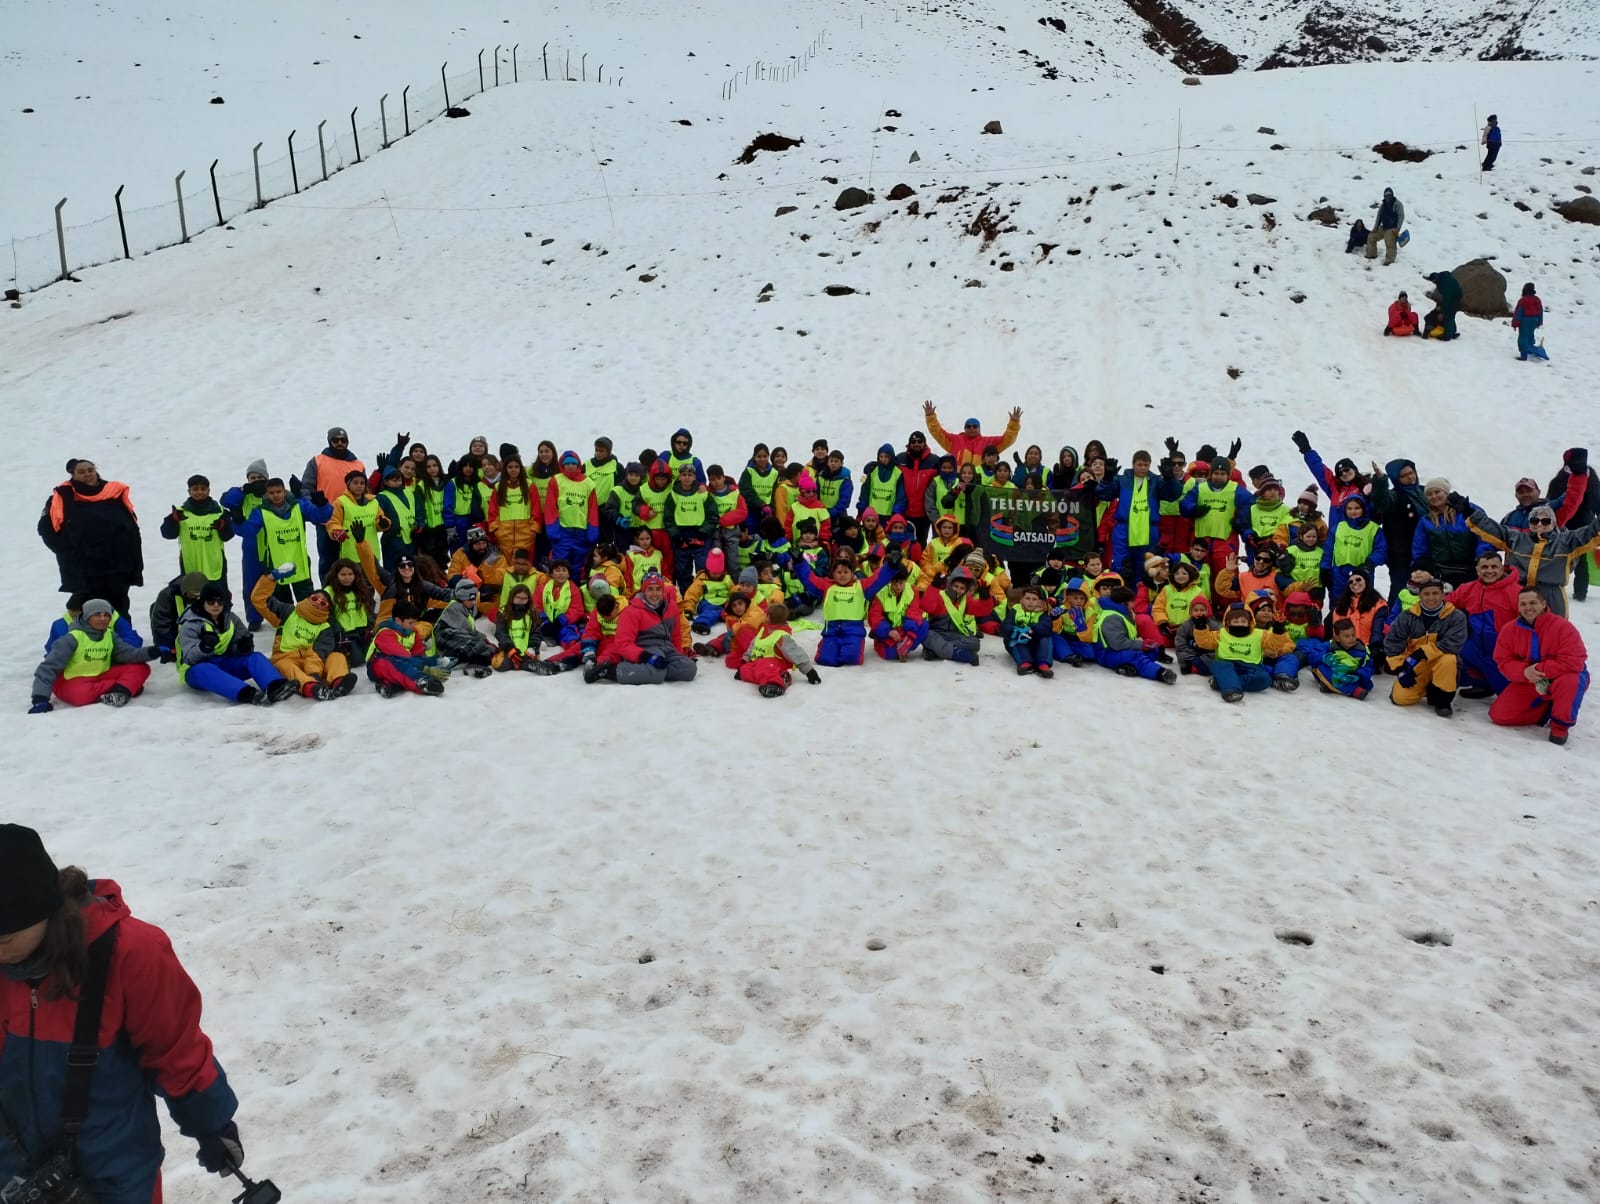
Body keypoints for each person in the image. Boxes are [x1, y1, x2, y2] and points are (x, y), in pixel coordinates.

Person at [0, 825, 246, 1204]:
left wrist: (211, 1126)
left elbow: (176, 1049)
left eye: (4, 940)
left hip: (112, 1171)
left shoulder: (130, 954)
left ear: (45, 910)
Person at [1460, 457, 1598, 616]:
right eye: (1534, 521)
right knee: (1518, 634)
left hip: (1550, 595)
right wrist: (1469, 512)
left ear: (1554, 523)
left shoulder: (1563, 539)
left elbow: (1576, 505)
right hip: (1519, 591)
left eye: (1545, 521)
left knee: (1552, 636)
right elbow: (1492, 531)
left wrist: (1579, 474)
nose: (1540, 524)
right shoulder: (1513, 525)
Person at [38, 458, 144, 621]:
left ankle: (123, 643)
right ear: (72, 474)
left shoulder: (113, 492)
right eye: (81, 472)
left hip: (118, 566)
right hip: (85, 569)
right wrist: (70, 552)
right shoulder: (63, 497)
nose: (87, 474)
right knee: (88, 611)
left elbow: (131, 525)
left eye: (90, 470)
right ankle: (88, 645)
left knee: (119, 609)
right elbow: (46, 530)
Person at [1491, 587, 1589, 745]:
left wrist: (1539, 670)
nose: (1527, 607)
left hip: (1562, 677)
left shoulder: (1563, 627)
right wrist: (1523, 672)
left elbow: (1575, 660)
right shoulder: (1509, 630)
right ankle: (1546, 709)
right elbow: (1503, 661)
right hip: (1530, 680)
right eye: (1523, 604)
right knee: (1499, 715)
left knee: (1570, 681)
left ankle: (1560, 725)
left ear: (1543, 604)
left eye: (1532, 602)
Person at [176, 582, 296, 705]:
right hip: (197, 671)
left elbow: (243, 642)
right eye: (211, 601)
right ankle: (248, 694)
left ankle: (276, 687)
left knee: (255, 658)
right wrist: (204, 647)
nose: (216, 605)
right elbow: (189, 657)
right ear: (203, 602)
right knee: (203, 669)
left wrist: (242, 647)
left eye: (220, 601)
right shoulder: (191, 624)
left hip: (225, 664)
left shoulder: (231, 619)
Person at [30, 599, 158, 711]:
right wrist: (40, 698)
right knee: (79, 695)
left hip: (100, 676)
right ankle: (125, 687)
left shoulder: (109, 635)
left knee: (141, 667)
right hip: (72, 680)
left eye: (106, 615)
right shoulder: (71, 638)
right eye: (97, 615)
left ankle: (120, 692)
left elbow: (127, 653)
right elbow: (48, 667)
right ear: (86, 617)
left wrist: (152, 652)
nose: (103, 619)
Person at [250, 571, 357, 700]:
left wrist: (314, 673)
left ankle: (339, 682)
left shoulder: (325, 627)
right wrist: (270, 579)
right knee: (284, 665)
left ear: (327, 610)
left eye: (323, 603)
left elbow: (316, 654)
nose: (318, 603)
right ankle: (311, 687)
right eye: (315, 599)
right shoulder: (288, 612)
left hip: (313, 663)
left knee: (336, 656)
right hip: (286, 658)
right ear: (308, 598)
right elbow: (259, 600)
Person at [1384, 577, 1467, 716]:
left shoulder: (1456, 616)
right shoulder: (1407, 616)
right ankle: (1426, 687)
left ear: (1443, 595)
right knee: (1401, 699)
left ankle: (1442, 700)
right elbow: (1392, 642)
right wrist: (1400, 667)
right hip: (1416, 663)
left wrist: (1423, 652)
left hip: (1440, 662)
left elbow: (1454, 643)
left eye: (1435, 593)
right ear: (1420, 596)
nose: (1431, 598)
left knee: (1449, 660)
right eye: (1426, 594)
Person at [1192, 601, 1296, 703]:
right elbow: (1205, 642)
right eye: (1236, 622)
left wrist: (1278, 631)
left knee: (1264, 679)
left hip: (1251, 667)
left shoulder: (1260, 634)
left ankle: (1222, 683)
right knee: (1219, 666)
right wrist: (1200, 628)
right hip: (1227, 664)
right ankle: (1231, 691)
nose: (1239, 624)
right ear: (1228, 622)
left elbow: (1274, 645)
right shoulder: (1221, 633)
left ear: (1249, 622)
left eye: (1243, 622)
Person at [1450, 551, 1522, 697]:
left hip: (1502, 651)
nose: (1489, 571)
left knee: (1511, 697)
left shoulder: (1516, 592)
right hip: (1475, 646)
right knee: (1456, 649)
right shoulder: (1468, 589)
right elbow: (1445, 605)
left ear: (1502, 569)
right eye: (1484, 567)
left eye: (1494, 567)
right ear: (1477, 570)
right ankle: (1482, 683)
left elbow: (1536, 621)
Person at [298, 426, 365, 576]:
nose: (339, 443)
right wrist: (314, 509)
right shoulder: (317, 461)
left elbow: (364, 491)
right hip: (327, 520)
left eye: (343, 440)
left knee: (355, 561)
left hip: (353, 520)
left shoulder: (358, 464)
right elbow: (306, 488)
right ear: (329, 441)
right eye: (336, 440)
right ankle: (329, 595)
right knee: (329, 562)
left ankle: (356, 595)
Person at [612, 570, 697, 684]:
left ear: (663, 590)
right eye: (650, 589)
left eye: (658, 589)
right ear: (643, 591)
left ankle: (648, 673)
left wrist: (678, 657)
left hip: (667, 648)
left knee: (689, 668)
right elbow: (622, 644)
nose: (654, 593)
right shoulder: (631, 612)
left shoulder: (671, 607)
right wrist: (645, 657)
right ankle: (614, 671)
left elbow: (676, 636)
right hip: (645, 649)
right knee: (657, 672)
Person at [732, 603, 821, 697]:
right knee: (745, 670)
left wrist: (809, 671)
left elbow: (795, 653)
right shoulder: (763, 629)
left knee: (766, 668)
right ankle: (776, 677)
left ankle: (775, 684)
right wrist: (746, 659)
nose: (764, 615)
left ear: (771, 618)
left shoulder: (781, 636)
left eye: (766, 614)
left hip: (774, 664)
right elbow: (753, 645)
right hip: (758, 662)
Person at [367, 601, 449, 696]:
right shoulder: (385, 633)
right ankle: (421, 682)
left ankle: (390, 685)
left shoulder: (413, 633)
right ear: (398, 621)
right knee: (396, 663)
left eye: (415, 622)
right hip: (377, 665)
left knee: (418, 661)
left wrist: (431, 663)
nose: (414, 625)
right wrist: (425, 669)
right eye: (410, 623)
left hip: (401, 662)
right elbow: (401, 656)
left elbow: (418, 656)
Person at [1412, 478, 1478, 587]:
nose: (1434, 496)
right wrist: (1423, 568)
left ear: (1446, 492)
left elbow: (1483, 537)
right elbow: (1420, 548)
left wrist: (1480, 560)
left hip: (1470, 569)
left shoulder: (1466, 510)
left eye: (1437, 492)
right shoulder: (1426, 520)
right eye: (1429, 494)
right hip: (1441, 572)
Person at [921, 402, 1022, 468]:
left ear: (979, 428)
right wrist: (930, 417)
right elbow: (938, 433)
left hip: (980, 484)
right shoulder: (955, 440)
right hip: (959, 482)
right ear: (964, 429)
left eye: (974, 426)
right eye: (968, 426)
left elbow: (1007, 439)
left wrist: (1014, 423)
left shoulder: (989, 443)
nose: (972, 428)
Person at [1001, 585, 1058, 677]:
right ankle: (1025, 662)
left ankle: (1043, 663)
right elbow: (1005, 625)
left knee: (1046, 637)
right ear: (1022, 599)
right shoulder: (1015, 610)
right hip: (1019, 639)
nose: (1030, 602)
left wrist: (1032, 629)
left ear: (1040, 601)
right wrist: (1013, 631)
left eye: (1034, 599)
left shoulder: (1042, 612)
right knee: (1014, 640)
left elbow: (1046, 626)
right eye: (1027, 598)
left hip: (1034, 641)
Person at [1312, 618, 1376, 699]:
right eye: (1347, 636)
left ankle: (1331, 686)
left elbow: (1369, 667)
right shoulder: (1330, 645)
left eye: (1353, 635)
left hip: (1352, 677)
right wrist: (1325, 657)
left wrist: (1358, 674)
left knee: (1364, 682)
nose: (1351, 638)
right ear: (1337, 638)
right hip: (1335, 673)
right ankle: (1353, 690)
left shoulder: (1362, 650)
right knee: (1321, 668)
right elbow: (1313, 655)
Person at [1365, 187, 1405, 265]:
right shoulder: (1383, 205)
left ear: (1392, 195)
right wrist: (1375, 228)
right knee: (1371, 236)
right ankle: (1371, 254)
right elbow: (1379, 216)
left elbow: (1401, 216)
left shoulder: (1397, 204)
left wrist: (1398, 228)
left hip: (1392, 229)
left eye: (1389, 195)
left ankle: (1389, 261)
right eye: (1386, 195)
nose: (1388, 197)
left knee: (1390, 243)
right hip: (1383, 227)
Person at [1512, 282, 1548, 361]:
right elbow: (1540, 311)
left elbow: (1518, 312)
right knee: (1530, 335)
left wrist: (1515, 324)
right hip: (1535, 320)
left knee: (1523, 337)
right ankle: (1530, 349)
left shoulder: (1523, 300)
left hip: (1525, 320)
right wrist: (1539, 322)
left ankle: (1524, 356)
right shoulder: (1537, 299)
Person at [1423, 270, 1462, 340]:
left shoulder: (1444, 284)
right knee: (1450, 315)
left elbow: (1447, 298)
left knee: (1449, 315)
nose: (1434, 283)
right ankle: (1452, 331)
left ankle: (1447, 336)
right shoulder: (1442, 279)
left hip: (1454, 300)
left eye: (1433, 281)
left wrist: (1442, 312)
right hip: (1453, 297)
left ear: (1435, 279)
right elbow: (1444, 297)